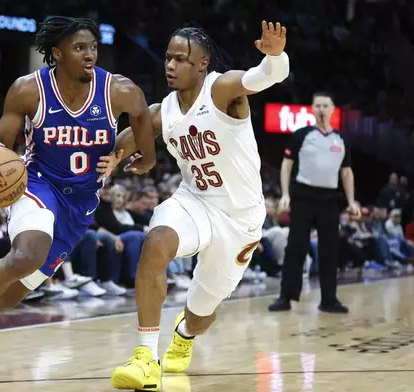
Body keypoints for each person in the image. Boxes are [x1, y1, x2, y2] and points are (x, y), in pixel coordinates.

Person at [0, 16, 157, 369]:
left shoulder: (119, 90)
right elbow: (1, 146)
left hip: (81, 201)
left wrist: (145, 157)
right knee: (26, 255)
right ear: (57, 53)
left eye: (93, 47)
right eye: (79, 48)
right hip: (37, 183)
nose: (90, 55)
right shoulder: (27, 89)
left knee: (15, 293)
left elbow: (146, 116)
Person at [96, 22, 290, 391]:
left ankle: (184, 335)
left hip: (239, 219)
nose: (170, 65)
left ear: (202, 64)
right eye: (168, 57)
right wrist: (111, 162)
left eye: (181, 59)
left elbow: (264, 76)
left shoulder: (222, 89)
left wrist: (275, 55)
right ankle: (145, 359)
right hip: (194, 202)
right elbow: (132, 135)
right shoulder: (163, 111)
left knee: (200, 314)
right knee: (155, 244)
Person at [267, 92, 360, 314]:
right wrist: (286, 194)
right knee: (295, 247)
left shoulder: (341, 139)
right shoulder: (302, 135)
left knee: (330, 250)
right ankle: (285, 297)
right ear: (312, 109)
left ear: (332, 109)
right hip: (303, 197)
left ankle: (328, 299)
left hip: (329, 200)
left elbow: (346, 173)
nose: (320, 109)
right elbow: (286, 165)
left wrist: (351, 201)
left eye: (324, 105)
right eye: (317, 105)